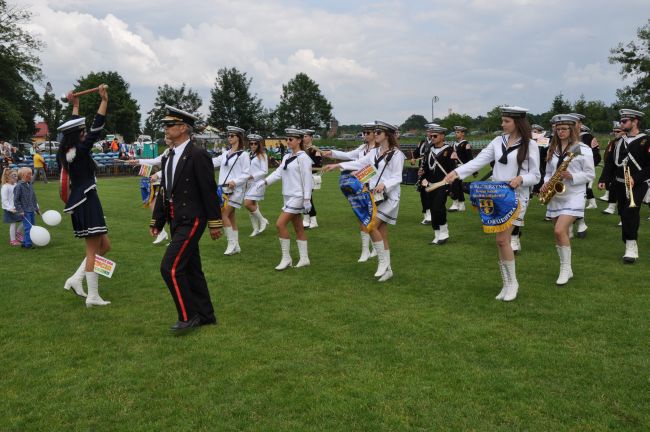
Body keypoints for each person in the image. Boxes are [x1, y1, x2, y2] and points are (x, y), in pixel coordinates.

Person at [445, 106, 540, 301]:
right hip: (496, 195)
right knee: (500, 242)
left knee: (502, 240)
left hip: (516, 197)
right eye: (502, 120)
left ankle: (513, 283)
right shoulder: (498, 141)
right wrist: (457, 173)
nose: (502, 124)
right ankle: (506, 284)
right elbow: (479, 161)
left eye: (506, 121)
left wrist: (521, 179)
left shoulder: (530, 145)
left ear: (518, 122)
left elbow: (536, 175)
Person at [150, 105, 223, 333]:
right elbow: (165, 190)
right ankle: (205, 315)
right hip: (176, 219)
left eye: (170, 125)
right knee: (191, 268)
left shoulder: (198, 154)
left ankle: (188, 315)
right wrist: (158, 220)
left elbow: (208, 190)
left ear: (183, 128)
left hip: (193, 219)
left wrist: (214, 222)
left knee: (170, 268)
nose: (166, 129)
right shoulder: (169, 156)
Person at [323, 121, 405, 282]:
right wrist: (337, 165)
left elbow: (397, 176)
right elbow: (359, 163)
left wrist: (384, 184)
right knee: (381, 233)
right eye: (374, 132)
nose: (375, 134)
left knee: (371, 225)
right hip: (374, 196)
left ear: (387, 135)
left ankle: (382, 263)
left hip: (389, 197)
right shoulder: (373, 152)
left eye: (378, 132)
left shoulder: (397, 154)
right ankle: (388, 270)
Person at [57, 85, 111, 305]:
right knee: (93, 251)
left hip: (82, 201)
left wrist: (76, 106)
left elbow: (75, 127)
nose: (85, 132)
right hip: (87, 201)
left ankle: (76, 279)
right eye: (82, 131)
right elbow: (97, 126)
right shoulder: (80, 150)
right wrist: (104, 100)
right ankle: (93, 295)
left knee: (104, 247)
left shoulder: (67, 151)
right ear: (78, 135)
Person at [540, 114, 595, 285]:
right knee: (560, 234)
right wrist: (545, 183)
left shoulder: (583, 149)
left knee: (559, 230)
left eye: (564, 129)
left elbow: (590, 174)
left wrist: (572, 175)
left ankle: (565, 268)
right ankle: (567, 268)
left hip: (575, 194)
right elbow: (548, 172)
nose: (561, 131)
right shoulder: (553, 148)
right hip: (556, 195)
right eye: (558, 129)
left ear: (572, 129)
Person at [322, 122, 378, 262]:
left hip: (373, 185)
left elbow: (373, 168)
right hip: (360, 185)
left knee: (372, 219)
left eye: (367, 133)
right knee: (362, 217)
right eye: (363, 132)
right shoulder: (363, 148)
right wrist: (332, 153)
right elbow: (348, 155)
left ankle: (374, 248)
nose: (364, 135)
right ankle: (367, 249)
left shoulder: (378, 150)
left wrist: (357, 174)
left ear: (374, 134)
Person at [598, 109, 649, 263]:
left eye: (624, 121)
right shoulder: (619, 141)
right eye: (621, 121)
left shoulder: (646, 141)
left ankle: (631, 246)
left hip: (638, 184)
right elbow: (610, 163)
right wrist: (604, 179)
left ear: (635, 122)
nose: (621, 124)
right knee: (623, 213)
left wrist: (635, 178)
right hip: (620, 183)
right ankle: (628, 241)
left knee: (630, 212)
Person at [260, 128, 313, 270]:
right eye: (287, 139)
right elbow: (278, 173)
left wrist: (307, 199)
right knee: (298, 227)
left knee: (280, 224)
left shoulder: (303, 158)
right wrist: (265, 182)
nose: (288, 142)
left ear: (299, 140)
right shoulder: (286, 157)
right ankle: (304, 258)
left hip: (298, 195)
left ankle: (286, 258)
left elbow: (307, 179)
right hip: (287, 195)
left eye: (291, 139)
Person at [211, 126, 250, 255]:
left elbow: (247, 173)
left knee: (223, 216)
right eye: (228, 135)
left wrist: (235, 181)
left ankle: (231, 244)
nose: (229, 138)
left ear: (238, 137)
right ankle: (236, 246)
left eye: (232, 136)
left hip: (235, 190)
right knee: (231, 218)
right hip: (223, 190)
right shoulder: (225, 153)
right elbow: (212, 162)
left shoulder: (244, 155)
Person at [127, 138, 172, 244]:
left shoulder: (179, 151)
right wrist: (138, 161)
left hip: (169, 184)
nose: (165, 138)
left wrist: (158, 174)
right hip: (161, 182)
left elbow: (171, 168)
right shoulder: (167, 151)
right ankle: (163, 232)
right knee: (155, 206)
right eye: (165, 135)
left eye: (167, 136)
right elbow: (155, 160)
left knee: (167, 209)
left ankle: (168, 234)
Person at [419, 124, 456, 244]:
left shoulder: (449, 150)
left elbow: (453, 170)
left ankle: (444, 232)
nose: (432, 138)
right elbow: (425, 166)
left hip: (443, 184)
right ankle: (436, 233)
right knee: (432, 209)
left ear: (442, 136)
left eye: (435, 136)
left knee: (438, 208)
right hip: (430, 184)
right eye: (431, 136)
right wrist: (422, 175)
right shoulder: (429, 149)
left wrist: (450, 187)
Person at [243, 133, 269, 237]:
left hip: (257, 183)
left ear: (259, 145)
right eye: (251, 143)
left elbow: (264, 171)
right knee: (253, 207)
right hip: (247, 183)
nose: (253, 145)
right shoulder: (248, 154)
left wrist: (252, 176)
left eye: (255, 144)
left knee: (248, 204)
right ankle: (255, 229)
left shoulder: (262, 155)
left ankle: (262, 220)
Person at [600, 122, 625, 215]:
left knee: (625, 196)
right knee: (612, 188)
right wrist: (603, 178)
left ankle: (625, 216)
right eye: (614, 131)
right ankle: (611, 207)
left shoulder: (629, 142)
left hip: (629, 172)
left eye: (618, 131)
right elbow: (609, 159)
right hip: (616, 171)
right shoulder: (614, 142)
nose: (615, 133)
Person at [448, 126, 474, 212]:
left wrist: (473, 170)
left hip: (462, 167)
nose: (456, 134)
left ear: (463, 133)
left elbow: (469, 157)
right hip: (454, 167)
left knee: (455, 184)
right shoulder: (454, 144)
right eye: (456, 132)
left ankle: (455, 203)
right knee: (458, 185)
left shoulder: (465, 144)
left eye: (458, 132)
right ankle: (461, 204)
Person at [13, 167, 39, 249]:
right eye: (29, 174)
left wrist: (36, 208)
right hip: (24, 211)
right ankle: (28, 244)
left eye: (31, 174)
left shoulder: (30, 184)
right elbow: (16, 200)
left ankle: (24, 242)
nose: (31, 176)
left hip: (31, 209)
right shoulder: (19, 186)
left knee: (32, 226)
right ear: (24, 175)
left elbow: (33, 197)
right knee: (28, 228)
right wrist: (20, 210)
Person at [412, 125, 433, 224]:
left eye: (430, 131)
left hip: (432, 171)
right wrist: (413, 159)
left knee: (432, 192)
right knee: (423, 192)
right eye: (428, 131)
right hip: (422, 171)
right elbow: (416, 154)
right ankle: (427, 213)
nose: (428, 133)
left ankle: (431, 214)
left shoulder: (436, 143)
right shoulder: (422, 142)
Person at [301, 129, 322, 229]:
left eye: (306, 136)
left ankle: (313, 220)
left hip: (311, 176)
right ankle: (306, 219)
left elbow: (318, 165)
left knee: (307, 198)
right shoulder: (301, 150)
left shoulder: (315, 150)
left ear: (311, 137)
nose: (304, 138)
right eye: (303, 136)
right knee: (303, 198)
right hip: (301, 177)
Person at [2, 168, 23, 246]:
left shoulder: (16, 185)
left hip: (17, 207)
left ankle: (18, 232)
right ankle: (13, 240)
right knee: (13, 223)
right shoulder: (5, 187)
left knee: (25, 218)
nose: (16, 177)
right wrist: (10, 208)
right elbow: (4, 200)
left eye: (16, 176)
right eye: (13, 176)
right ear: (8, 177)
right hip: (10, 209)